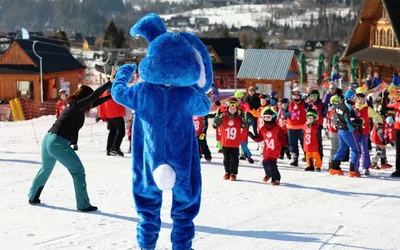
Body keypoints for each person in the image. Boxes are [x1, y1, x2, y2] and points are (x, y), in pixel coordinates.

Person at [28, 79, 113, 212]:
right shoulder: (77, 105)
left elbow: (95, 101)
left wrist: (111, 96)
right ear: (86, 98)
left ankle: (32, 197)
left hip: (48, 139)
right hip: (57, 143)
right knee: (78, 171)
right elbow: (95, 96)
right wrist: (109, 82)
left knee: (45, 169)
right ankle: (83, 205)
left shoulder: (74, 105)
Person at [248, 107, 286, 185]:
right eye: (265, 118)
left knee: (272, 164)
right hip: (266, 150)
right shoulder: (263, 129)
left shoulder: (278, 128)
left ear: (273, 117)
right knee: (265, 163)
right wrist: (252, 136)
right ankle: (268, 174)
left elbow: (283, 138)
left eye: (269, 117)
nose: (267, 119)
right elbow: (259, 138)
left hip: (275, 150)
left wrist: (285, 146)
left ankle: (276, 178)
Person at [329, 89, 362, 177]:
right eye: (354, 97)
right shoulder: (349, 108)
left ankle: (334, 167)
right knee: (357, 150)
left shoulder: (339, 105)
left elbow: (341, 116)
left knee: (342, 149)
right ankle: (353, 170)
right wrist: (360, 122)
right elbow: (352, 121)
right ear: (350, 98)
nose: (355, 99)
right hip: (348, 131)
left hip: (340, 130)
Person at [213, 97, 248, 181]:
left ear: (237, 108)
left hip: (235, 143)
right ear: (228, 108)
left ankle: (233, 173)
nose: (232, 110)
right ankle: (227, 172)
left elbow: (245, 125)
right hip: (225, 142)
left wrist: (245, 120)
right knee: (226, 159)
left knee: (234, 159)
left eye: (234, 108)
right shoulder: (223, 116)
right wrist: (218, 118)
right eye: (231, 108)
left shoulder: (239, 118)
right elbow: (215, 124)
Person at [354, 87, 383, 176]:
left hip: (364, 132)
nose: (360, 100)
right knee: (355, 150)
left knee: (364, 150)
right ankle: (354, 167)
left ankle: (365, 167)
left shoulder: (367, 109)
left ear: (364, 98)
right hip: (355, 132)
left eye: (362, 98)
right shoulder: (353, 107)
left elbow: (377, 116)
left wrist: (380, 123)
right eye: (358, 98)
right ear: (356, 98)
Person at [98, 74, 127, 157]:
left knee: (112, 131)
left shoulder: (104, 89)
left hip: (108, 114)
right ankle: (115, 148)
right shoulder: (116, 88)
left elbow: (100, 103)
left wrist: (101, 115)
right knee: (121, 132)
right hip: (116, 113)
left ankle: (109, 149)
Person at [283, 87, 307, 166]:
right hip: (291, 127)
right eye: (294, 95)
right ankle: (294, 158)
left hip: (302, 127)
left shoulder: (304, 103)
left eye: (297, 95)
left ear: (300, 95)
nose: (296, 96)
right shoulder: (289, 103)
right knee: (292, 144)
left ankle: (307, 156)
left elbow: (310, 112)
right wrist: (290, 114)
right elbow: (284, 113)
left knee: (304, 142)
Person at [307, 89, 326, 158]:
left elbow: (324, 114)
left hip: (318, 125)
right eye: (312, 96)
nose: (314, 98)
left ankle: (319, 155)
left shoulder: (321, 104)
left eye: (315, 96)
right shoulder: (309, 105)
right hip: (310, 125)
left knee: (318, 141)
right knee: (310, 141)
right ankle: (310, 155)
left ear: (318, 96)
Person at [326, 95, 340, 166]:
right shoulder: (334, 111)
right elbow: (333, 122)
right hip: (334, 132)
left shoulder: (330, 110)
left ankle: (333, 162)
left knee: (336, 147)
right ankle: (332, 163)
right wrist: (338, 126)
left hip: (331, 131)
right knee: (335, 148)